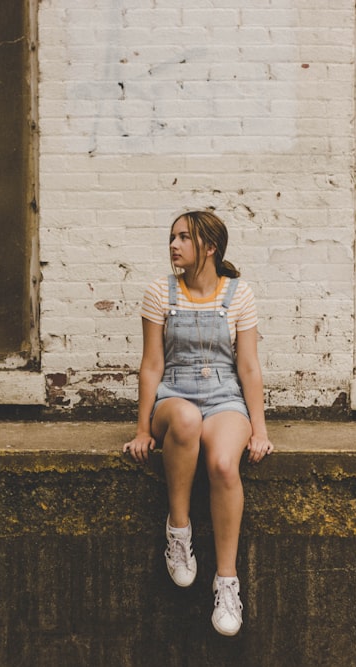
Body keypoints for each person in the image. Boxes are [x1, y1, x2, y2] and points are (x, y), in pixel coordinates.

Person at [124, 210, 274, 636]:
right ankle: (178, 530)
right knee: (187, 421)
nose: (174, 245)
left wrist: (259, 430)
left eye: (184, 238)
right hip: (174, 395)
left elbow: (248, 367)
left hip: (225, 395)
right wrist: (141, 429)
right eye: (172, 237)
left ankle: (226, 582)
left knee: (225, 464)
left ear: (209, 247)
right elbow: (152, 364)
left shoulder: (239, 295)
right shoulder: (160, 292)